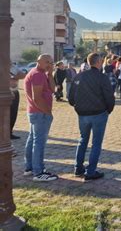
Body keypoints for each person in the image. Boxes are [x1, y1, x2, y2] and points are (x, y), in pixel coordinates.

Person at [68, 53, 115, 181]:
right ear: (99, 62)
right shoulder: (102, 77)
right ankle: (91, 171)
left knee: (83, 140)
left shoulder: (79, 76)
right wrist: (108, 109)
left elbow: (71, 97)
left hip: (83, 114)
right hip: (98, 113)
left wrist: (76, 105)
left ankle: (78, 168)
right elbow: (109, 96)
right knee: (96, 143)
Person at [24, 54, 58, 182]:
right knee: (39, 142)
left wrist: (50, 74)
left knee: (32, 139)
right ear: (38, 61)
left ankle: (29, 168)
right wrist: (48, 112)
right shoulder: (37, 74)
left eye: (51, 62)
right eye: (46, 62)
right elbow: (36, 97)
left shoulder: (42, 73)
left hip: (35, 112)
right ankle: (38, 172)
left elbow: (53, 89)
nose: (49, 64)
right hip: (39, 113)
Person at [10, 61, 26, 139]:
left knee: (13, 114)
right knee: (5, 114)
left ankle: (9, 132)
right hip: (5, 92)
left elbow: (23, 75)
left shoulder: (13, 67)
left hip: (15, 92)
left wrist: (13, 77)